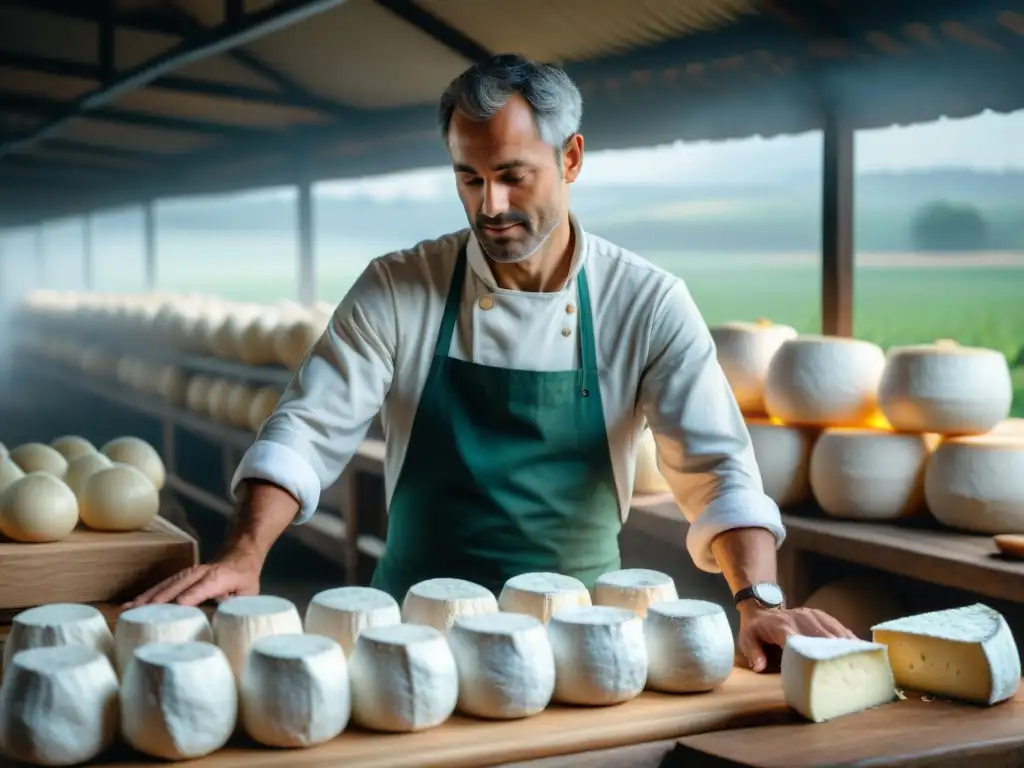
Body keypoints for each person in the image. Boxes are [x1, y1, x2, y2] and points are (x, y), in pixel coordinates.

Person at [128, 53, 854, 672]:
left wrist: (759, 602)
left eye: (513, 175)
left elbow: (719, 470)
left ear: (570, 158)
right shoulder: (399, 287)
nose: (490, 205)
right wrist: (244, 553)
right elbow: (304, 430)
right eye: (469, 179)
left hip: (581, 640)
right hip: (408, 636)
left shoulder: (647, 302)